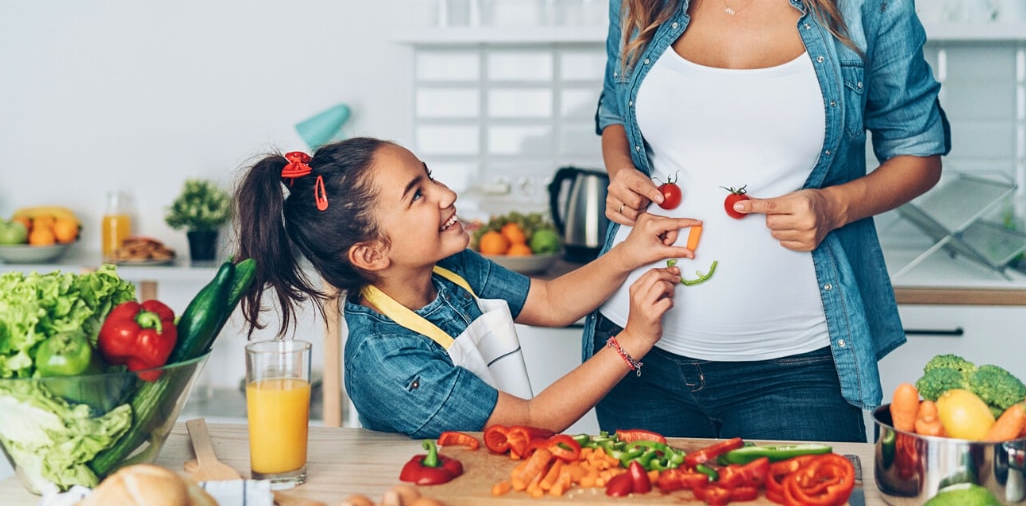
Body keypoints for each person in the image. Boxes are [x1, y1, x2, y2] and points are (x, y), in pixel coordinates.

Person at [587, 0, 951, 442]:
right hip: (637, 360)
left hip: (800, 369)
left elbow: (919, 155)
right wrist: (619, 169)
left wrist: (835, 207)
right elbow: (616, 110)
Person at [232, 137, 700, 439]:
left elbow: (552, 302)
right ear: (371, 254)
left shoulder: (450, 268)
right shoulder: (387, 359)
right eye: (417, 194)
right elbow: (535, 421)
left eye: (429, 175)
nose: (445, 193)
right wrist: (633, 340)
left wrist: (629, 252)